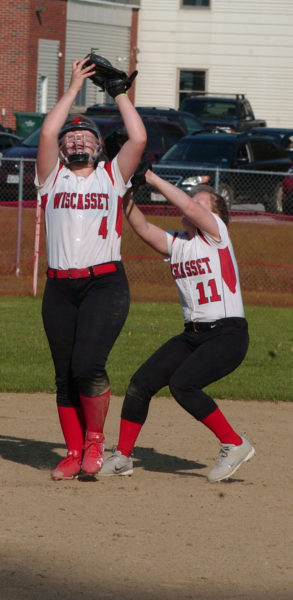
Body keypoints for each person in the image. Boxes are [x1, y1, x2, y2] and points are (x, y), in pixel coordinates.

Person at [100, 171, 255, 482]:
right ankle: (123, 457)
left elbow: (190, 208)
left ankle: (234, 443)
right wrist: (124, 187)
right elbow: (142, 227)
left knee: (182, 384)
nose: (192, 204)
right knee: (140, 384)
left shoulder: (217, 234)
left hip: (227, 334)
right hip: (193, 335)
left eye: (201, 201)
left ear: (215, 214)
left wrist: (149, 176)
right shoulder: (180, 244)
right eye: (193, 198)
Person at [35, 57, 147, 481]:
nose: (76, 141)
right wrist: (72, 86)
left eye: (85, 136)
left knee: (87, 365)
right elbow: (48, 130)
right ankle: (73, 450)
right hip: (59, 288)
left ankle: (96, 442)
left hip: (104, 284)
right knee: (64, 373)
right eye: (71, 138)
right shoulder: (52, 179)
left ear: (99, 146)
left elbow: (137, 136)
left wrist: (118, 93)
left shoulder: (110, 176)